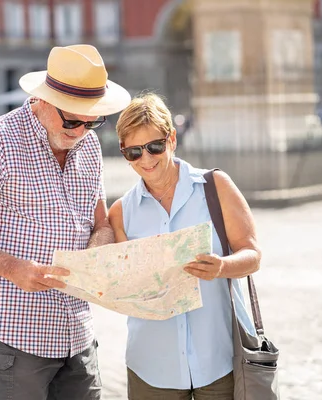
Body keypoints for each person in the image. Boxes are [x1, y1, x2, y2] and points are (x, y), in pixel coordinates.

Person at [0, 44, 131, 400]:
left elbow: (100, 222)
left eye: (92, 121)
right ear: (42, 99)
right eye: (71, 119)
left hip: (78, 336)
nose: (81, 130)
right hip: (14, 341)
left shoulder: (90, 146)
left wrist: (94, 257)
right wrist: (12, 268)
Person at [108, 93, 261, 400]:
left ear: (172, 139)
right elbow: (120, 285)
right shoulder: (121, 212)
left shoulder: (216, 187)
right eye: (134, 153)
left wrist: (221, 266)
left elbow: (252, 254)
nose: (147, 160)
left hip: (219, 360)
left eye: (154, 146)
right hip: (151, 366)